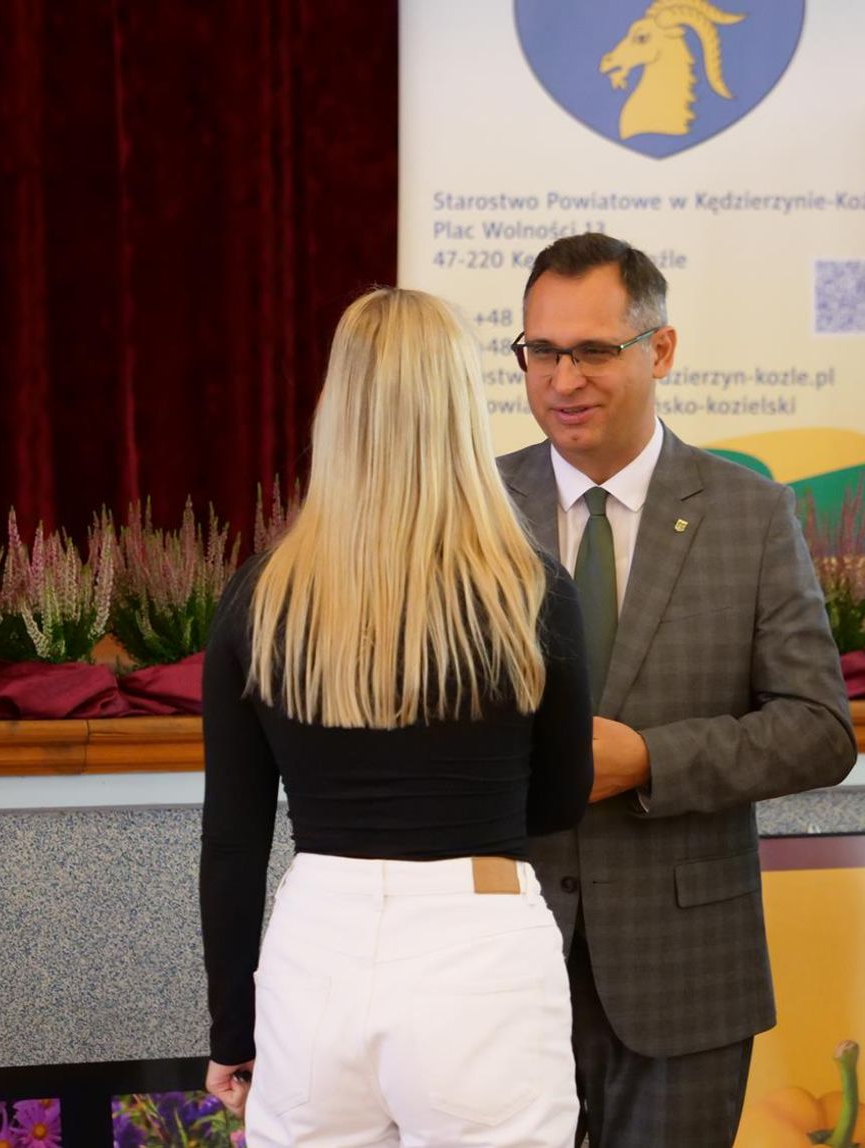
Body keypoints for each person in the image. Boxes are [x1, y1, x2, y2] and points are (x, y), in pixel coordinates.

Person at [199, 287, 594, 1148]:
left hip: (316, 944)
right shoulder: (532, 589)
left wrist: (232, 1030)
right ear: (460, 408)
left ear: (337, 406)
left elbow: (233, 839)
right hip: (481, 941)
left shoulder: (261, 595)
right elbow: (562, 798)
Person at [498, 232, 857, 1148]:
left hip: (687, 972)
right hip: (497, 962)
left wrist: (651, 761)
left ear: (659, 350)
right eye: (542, 351)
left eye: (593, 350)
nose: (563, 380)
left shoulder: (751, 512)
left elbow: (819, 729)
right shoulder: (472, 508)